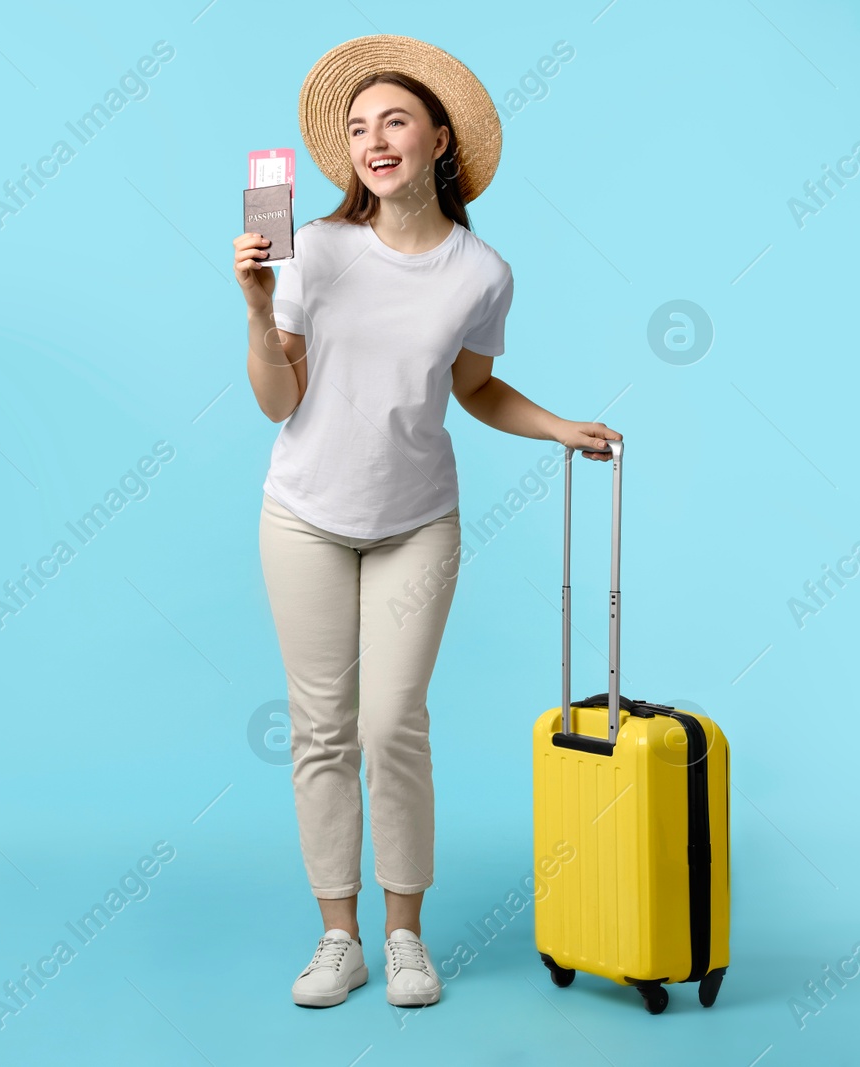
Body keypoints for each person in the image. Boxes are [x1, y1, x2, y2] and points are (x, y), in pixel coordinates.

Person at [233, 34, 620, 1010]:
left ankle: (405, 936)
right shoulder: (312, 251)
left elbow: (474, 387)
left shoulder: (481, 273)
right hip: (306, 516)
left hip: (416, 520)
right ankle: (338, 936)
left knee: (393, 721)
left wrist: (557, 426)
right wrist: (254, 308)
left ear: (438, 138)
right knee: (320, 727)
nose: (373, 139)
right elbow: (278, 401)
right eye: (358, 127)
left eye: (393, 119)